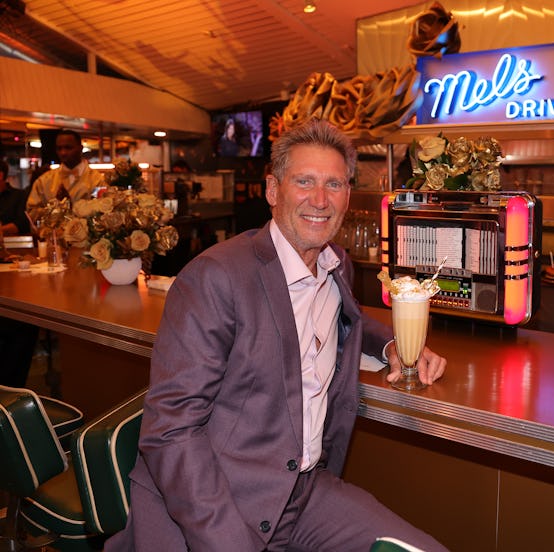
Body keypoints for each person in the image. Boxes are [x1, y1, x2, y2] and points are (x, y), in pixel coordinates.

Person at [106, 119, 449, 552]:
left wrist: (390, 343)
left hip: (304, 494)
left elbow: (350, 317)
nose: (320, 200)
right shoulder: (217, 277)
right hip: (216, 500)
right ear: (272, 190)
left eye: (334, 184)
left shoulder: (335, 264)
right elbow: (171, 431)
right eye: (304, 181)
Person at [0, 159, 39, 387]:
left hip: (12, 272)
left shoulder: (18, 197)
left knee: (22, 323)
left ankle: (11, 388)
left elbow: (21, 225)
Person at [26, 129, 104, 212]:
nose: (63, 153)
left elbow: (101, 211)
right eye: (59, 148)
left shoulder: (97, 180)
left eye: (68, 148)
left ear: (80, 148)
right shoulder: (44, 181)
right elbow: (31, 211)